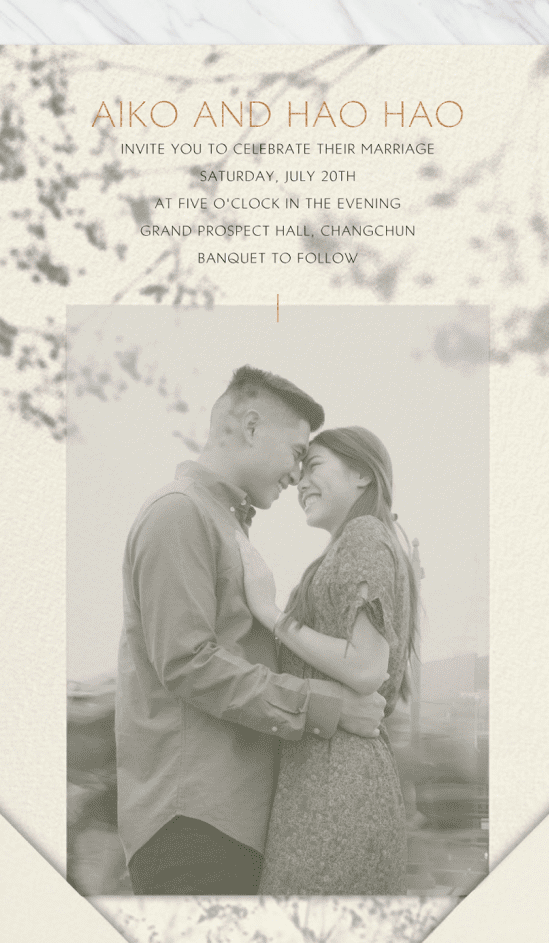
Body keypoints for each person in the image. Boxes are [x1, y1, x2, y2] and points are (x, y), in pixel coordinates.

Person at [116, 366, 388, 896]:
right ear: (250, 426)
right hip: (191, 826)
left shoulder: (223, 525)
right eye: (295, 452)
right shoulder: (179, 514)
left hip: (224, 828)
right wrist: (325, 705)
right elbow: (188, 663)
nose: (296, 474)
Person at [238, 426, 418, 895]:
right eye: (298, 474)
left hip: (338, 787)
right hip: (327, 780)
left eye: (314, 467)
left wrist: (270, 613)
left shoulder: (363, 536)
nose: (300, 483)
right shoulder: (358, 544)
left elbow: (365, 668)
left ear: (361, 474)